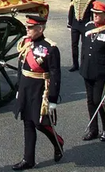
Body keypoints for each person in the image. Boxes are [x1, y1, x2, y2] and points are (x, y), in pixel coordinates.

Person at [13, 14, 63, 170]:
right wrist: (18, 88)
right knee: (27, 123)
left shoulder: (50, 48)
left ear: (40, 29)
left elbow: (55, 75)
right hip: (26, 87)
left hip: (40, 88)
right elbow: (22, 68)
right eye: (27, 26)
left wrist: (53, 99)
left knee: (39, 123)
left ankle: (58, 142)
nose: (27, 29)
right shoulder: (26, 43)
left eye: (30, 27)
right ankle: (28, 159)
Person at [80, 1, 105, 142]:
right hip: (88, 70)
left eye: (98, 14)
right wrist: (82, 65)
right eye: (94, 14)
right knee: (90, 100)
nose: (95, 16)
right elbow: (84, 48)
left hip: (101, 72)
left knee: (99, 100)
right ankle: (93, 129)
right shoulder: (88, 27)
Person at [67, 0, 94, 72]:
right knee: (74, 45)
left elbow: (92, 14)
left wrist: (92, 25)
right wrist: (69, 23)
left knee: (84, 45)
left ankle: (83, 63)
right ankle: (75, 64)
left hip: (85, 24)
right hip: (75, 24)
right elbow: (71, 11)